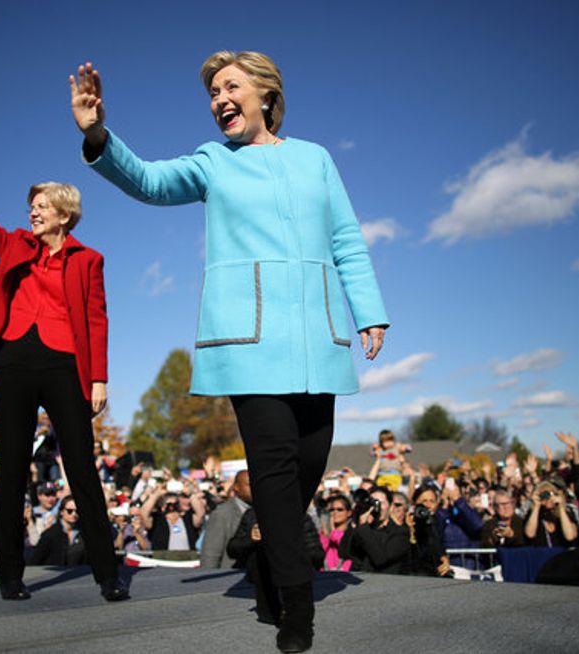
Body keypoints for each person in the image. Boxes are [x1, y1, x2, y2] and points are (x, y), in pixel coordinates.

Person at [71, 51, 388, 651]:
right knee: (271, 469)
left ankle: (268, 567)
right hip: (248, 341)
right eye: (213, 91)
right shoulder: (212, 161)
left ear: (265, 94)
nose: (219, 98)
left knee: (306, 469)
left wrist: (368, 311)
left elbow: (346, 238)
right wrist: (96, 135)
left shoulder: (315, 158)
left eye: (230, 86)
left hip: (317, 339)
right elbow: (150, 181)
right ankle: (298, 607)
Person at [0, 117, 127, 602]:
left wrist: (99, 379)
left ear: (64, 214)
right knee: (14, 469)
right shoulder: (13, 244)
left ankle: (108, 575)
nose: (32, 213)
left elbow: (98, 320)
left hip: (66, 368)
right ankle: (10, 577)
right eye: (31, 206)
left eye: (41, 207)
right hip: (14, 365)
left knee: (81, 469)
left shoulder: (88, 260)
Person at [200, 470, 252, 569]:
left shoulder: (261, 510)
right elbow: (210, 556)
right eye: (249, 485)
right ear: (236, 487)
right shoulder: (222, 514)